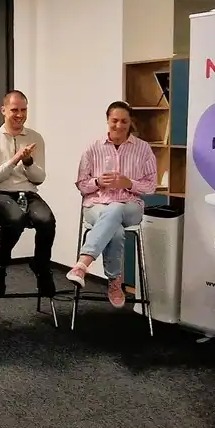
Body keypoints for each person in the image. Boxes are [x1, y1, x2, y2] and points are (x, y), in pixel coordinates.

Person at [66, 101, 157, 308]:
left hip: (130, 207)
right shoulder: (93, 148)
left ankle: (83, 263)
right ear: (107, 120)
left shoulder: (143, 149)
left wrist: (129, 183)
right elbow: (82, 185)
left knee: (116, 207)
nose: (119, 125)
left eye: (124, 121)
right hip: (96, 206)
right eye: (115, 120)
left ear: (130, 122)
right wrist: (97, 182)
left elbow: (151, 186)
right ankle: (115, 282)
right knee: (115, 230)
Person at [0, 90, 55, 297]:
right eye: (14, 110)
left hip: (28, 193)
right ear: (3, 110)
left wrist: (28, 162)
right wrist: (15, 159)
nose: (20, 115)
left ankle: (41, 266)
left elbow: (39, 178)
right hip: (1, 195)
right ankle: (0, 266)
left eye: (23, 110)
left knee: (47, 220)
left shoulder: (35, 138)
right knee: (16, 219)